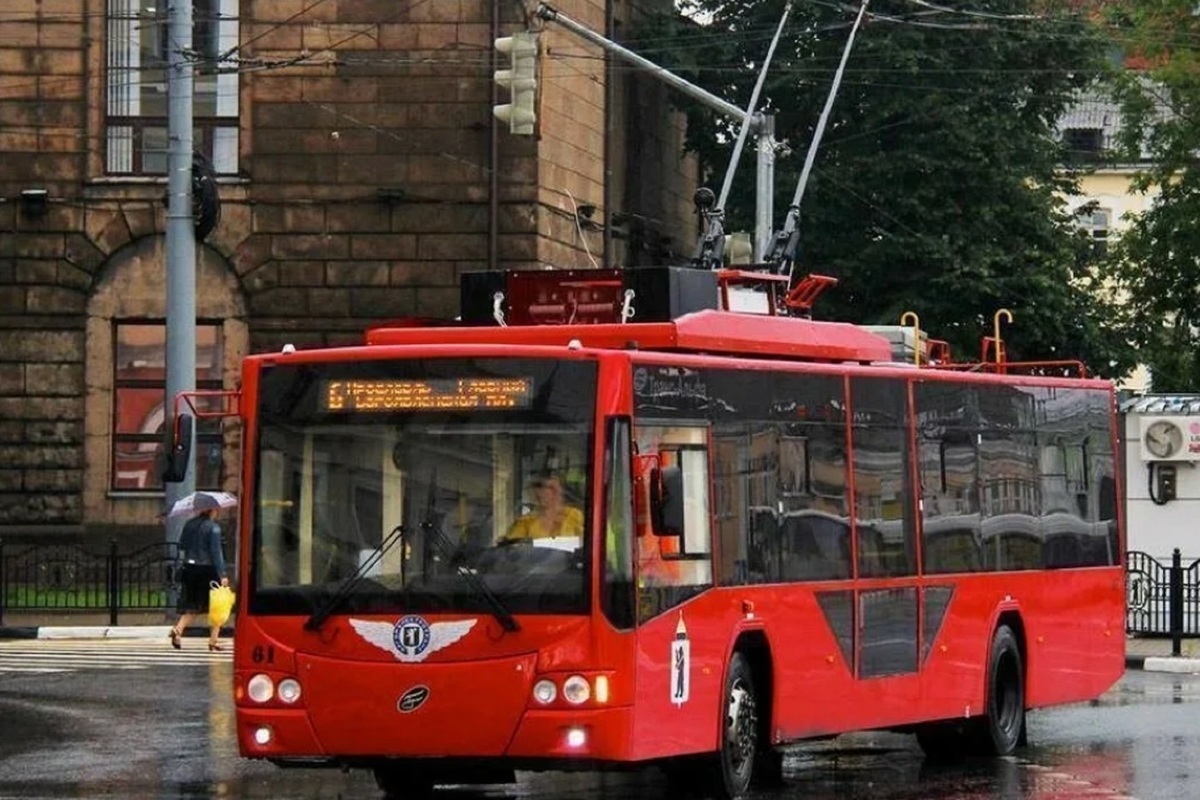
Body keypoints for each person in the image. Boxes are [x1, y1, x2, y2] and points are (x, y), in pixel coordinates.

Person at [170, 504, 230, 651]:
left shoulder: (189, 524)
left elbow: (182, 545)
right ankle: (213, 640)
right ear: (212, 511)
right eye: (217, 510)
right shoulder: (213, 528)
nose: (218, 513)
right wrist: (222, 574)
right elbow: (216, 553)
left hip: (190, 568)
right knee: (217, 605)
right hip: (207, 569)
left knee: (192, 605)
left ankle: (178, 630)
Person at [504, 473, 583, 541]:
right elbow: (512, 546)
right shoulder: (526, 522)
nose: (555, 491)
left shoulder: (574, 515)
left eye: (554, 488)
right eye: (543, 487)